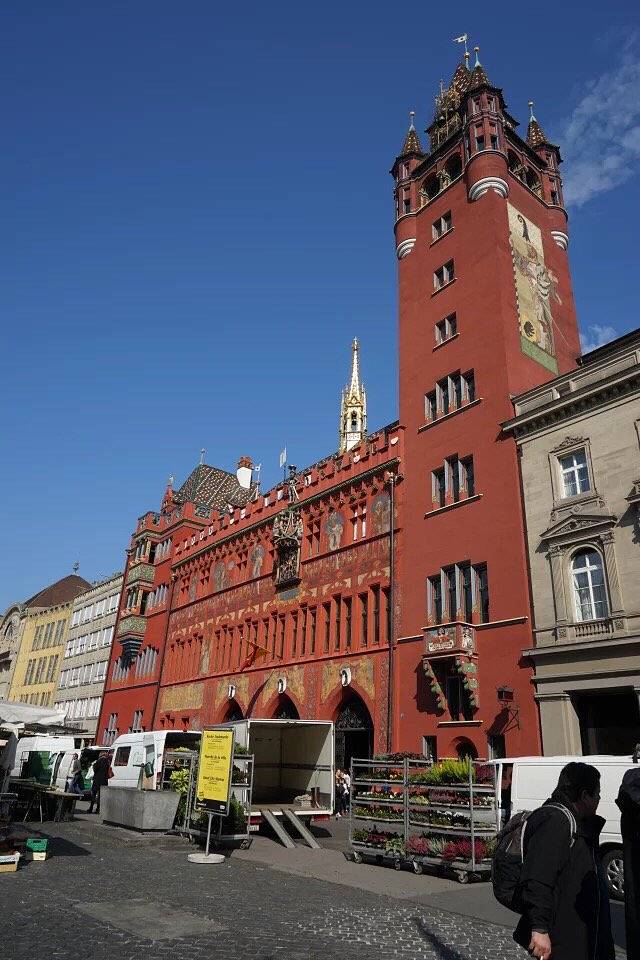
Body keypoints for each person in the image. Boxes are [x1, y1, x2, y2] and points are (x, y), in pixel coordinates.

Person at [513, 761, 615, 960]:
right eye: (597, 794)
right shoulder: (556, 820)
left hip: (578, 932)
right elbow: (538, 877)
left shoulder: (574, 820)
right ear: (584, 795)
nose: (599, 799)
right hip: (563, 935)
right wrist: (539, 929)